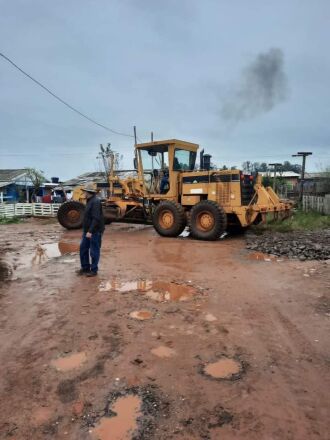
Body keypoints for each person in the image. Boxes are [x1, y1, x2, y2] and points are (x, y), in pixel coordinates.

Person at [77, 183, 105, 277]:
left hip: (94, 231)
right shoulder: (89, 201)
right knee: (83, 249)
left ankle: (93, 270)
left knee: (94, 251)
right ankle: (85, 268)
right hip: (87, 230)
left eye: (84, 191)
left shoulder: (95, 202)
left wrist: (90, 231)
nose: (83, 193)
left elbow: (96, 218)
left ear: (88, 192)